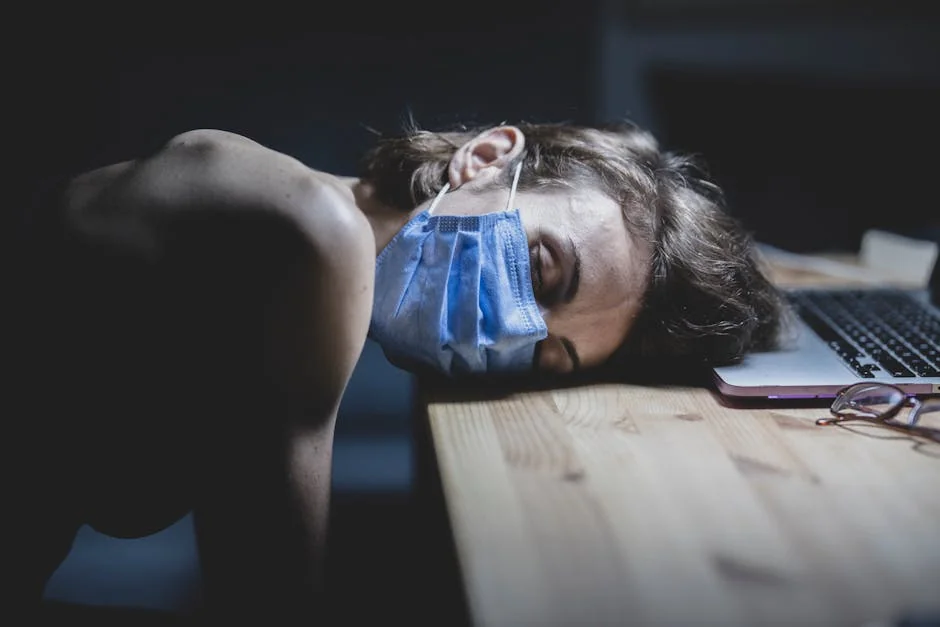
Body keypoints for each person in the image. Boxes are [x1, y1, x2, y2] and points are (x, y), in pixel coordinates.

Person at [10, 119, 785, 623]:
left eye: (552, 355)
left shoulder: (293, 206)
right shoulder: (311, 236)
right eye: (542, 272)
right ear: (484, 158)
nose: (514, 330)